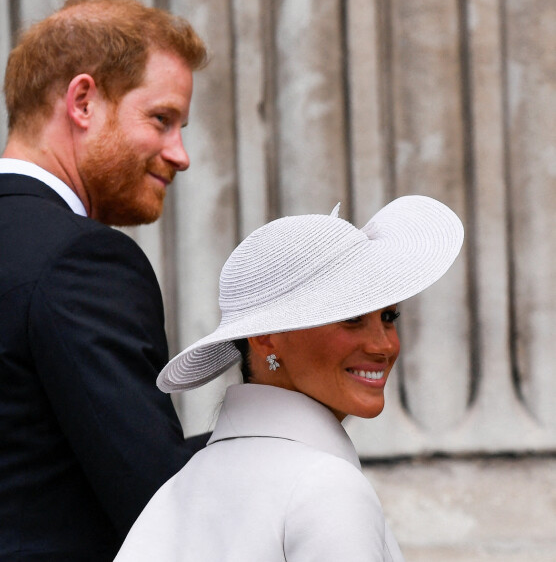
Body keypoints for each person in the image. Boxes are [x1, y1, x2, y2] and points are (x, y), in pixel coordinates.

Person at [0, 0, 209, 561]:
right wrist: (280, 422)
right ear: (83, 101)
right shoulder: (83, 260)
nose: (179, 154)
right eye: (161, 119)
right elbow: (155, 502)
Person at [114, 195, 464, 561]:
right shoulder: (325, 485)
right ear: (266, 337)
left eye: (389, 318)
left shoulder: (181, 487)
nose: (383, 346)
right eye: (351, 317)